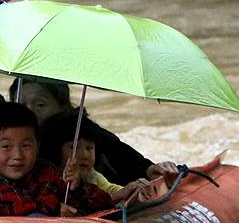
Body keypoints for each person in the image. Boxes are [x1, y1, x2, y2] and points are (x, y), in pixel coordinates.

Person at [9, 77, 179, 184]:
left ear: (64, 107)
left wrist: (148, 169)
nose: (29, 112)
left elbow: (119, 151)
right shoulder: (7, 138)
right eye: (21, 105)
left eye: (40, 105)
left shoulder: (80, 131)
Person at [0, 103, 113, 217]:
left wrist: (77, 186)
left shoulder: (49, 174)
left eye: (26, 146)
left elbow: (103, 203)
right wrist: (45, 208)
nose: (18, 155)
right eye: (6, 146)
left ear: (38, 146)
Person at [41, 111, 152, 205]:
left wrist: (131, 189)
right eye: (74, 147)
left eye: (89, 148)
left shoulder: (92, 175)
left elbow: (108, 190)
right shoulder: (47, 177)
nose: (84, 155)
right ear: (54, 150)